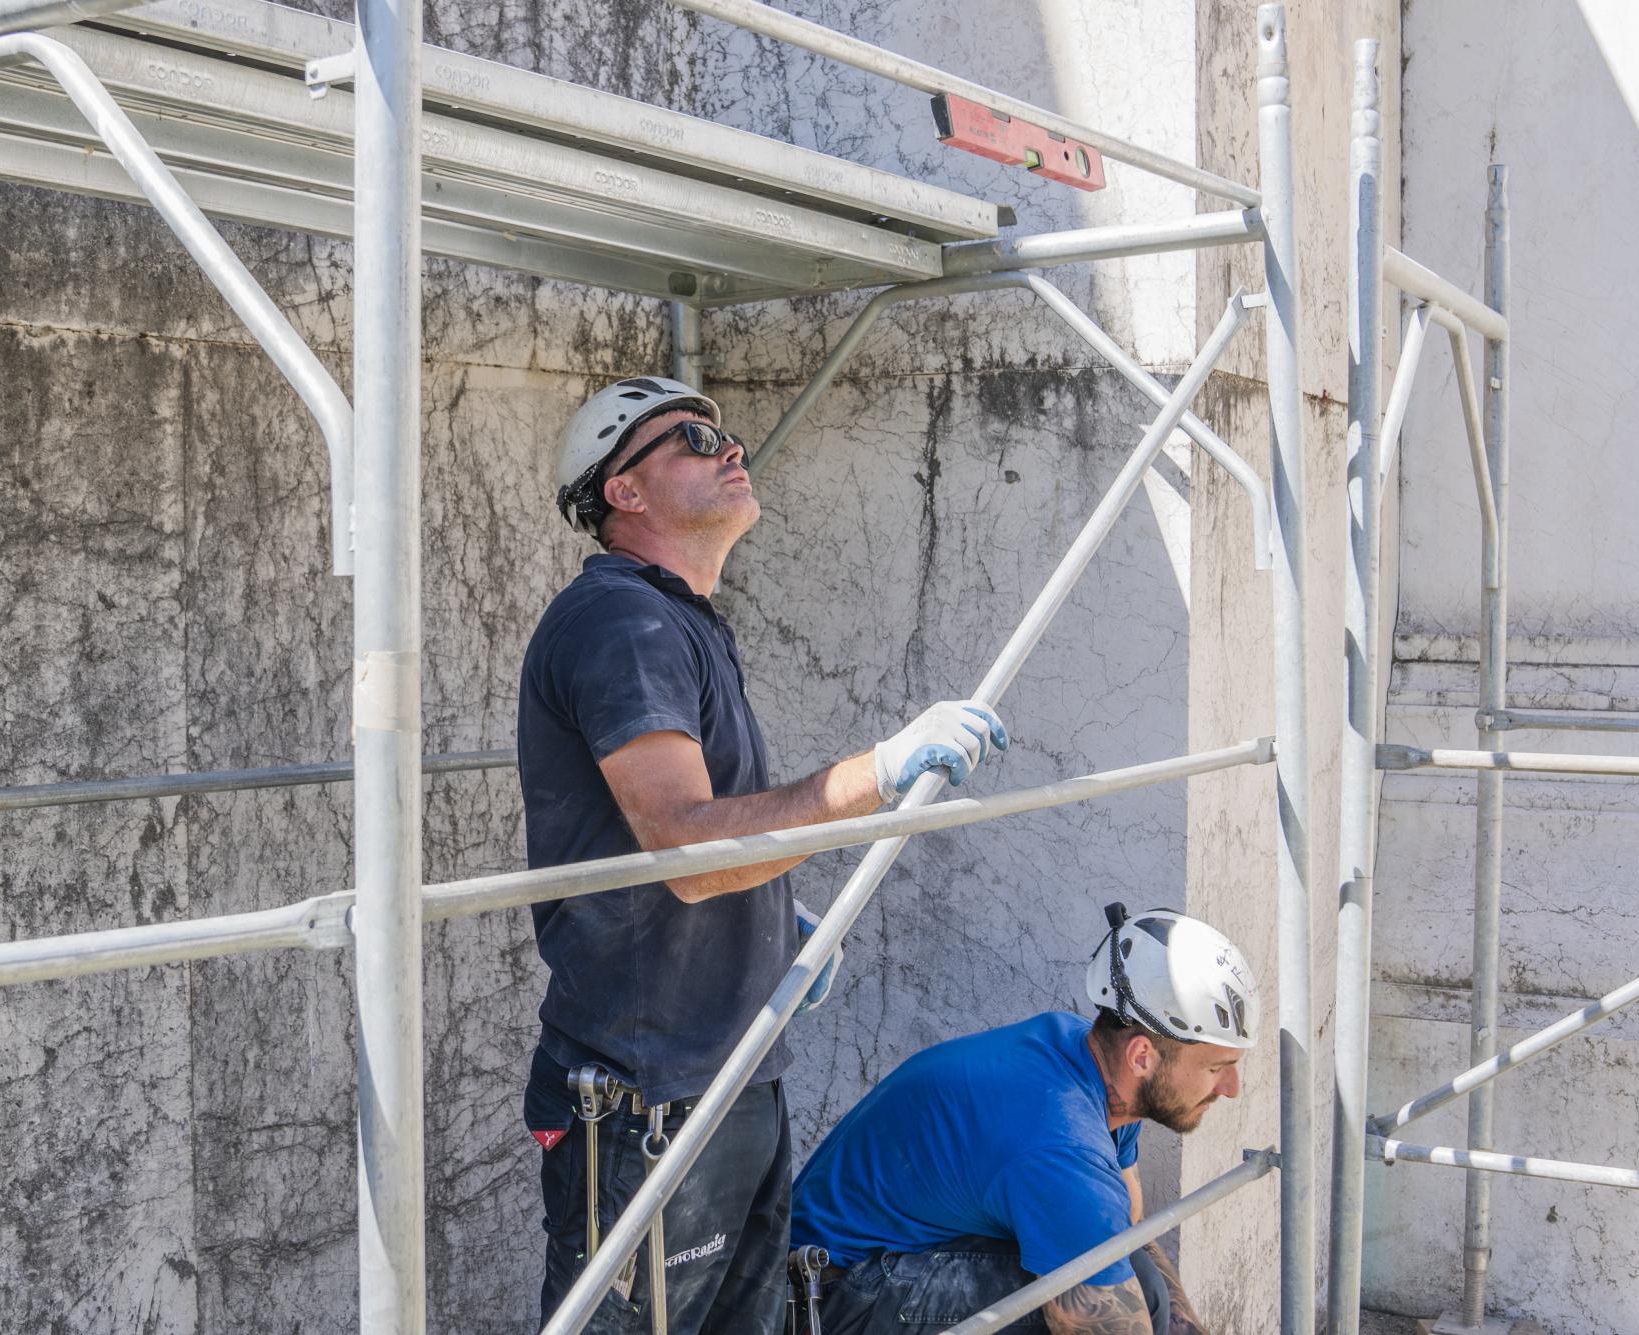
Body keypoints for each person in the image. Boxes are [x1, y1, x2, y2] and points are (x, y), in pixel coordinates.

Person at [519, 375, 1012, 1334]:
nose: (728, 444)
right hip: (646, 1096)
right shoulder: (623, 622)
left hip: (732, 1065)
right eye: (693, 436)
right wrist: (879, 769)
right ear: (624, 491)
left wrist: (772, 922)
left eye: (726, 429)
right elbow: (686, 849)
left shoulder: (683, 619)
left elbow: (688, 851)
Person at [788, 904, 1259, 1335]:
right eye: (1217, 1068)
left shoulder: (1093, 1063)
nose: (1231, 1088)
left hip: (890, 1265)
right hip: (829, 1299)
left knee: (1136, 1282)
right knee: (1077, 1309)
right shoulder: (1061, 1145)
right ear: (1142, 1057)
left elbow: (1129, 1233)